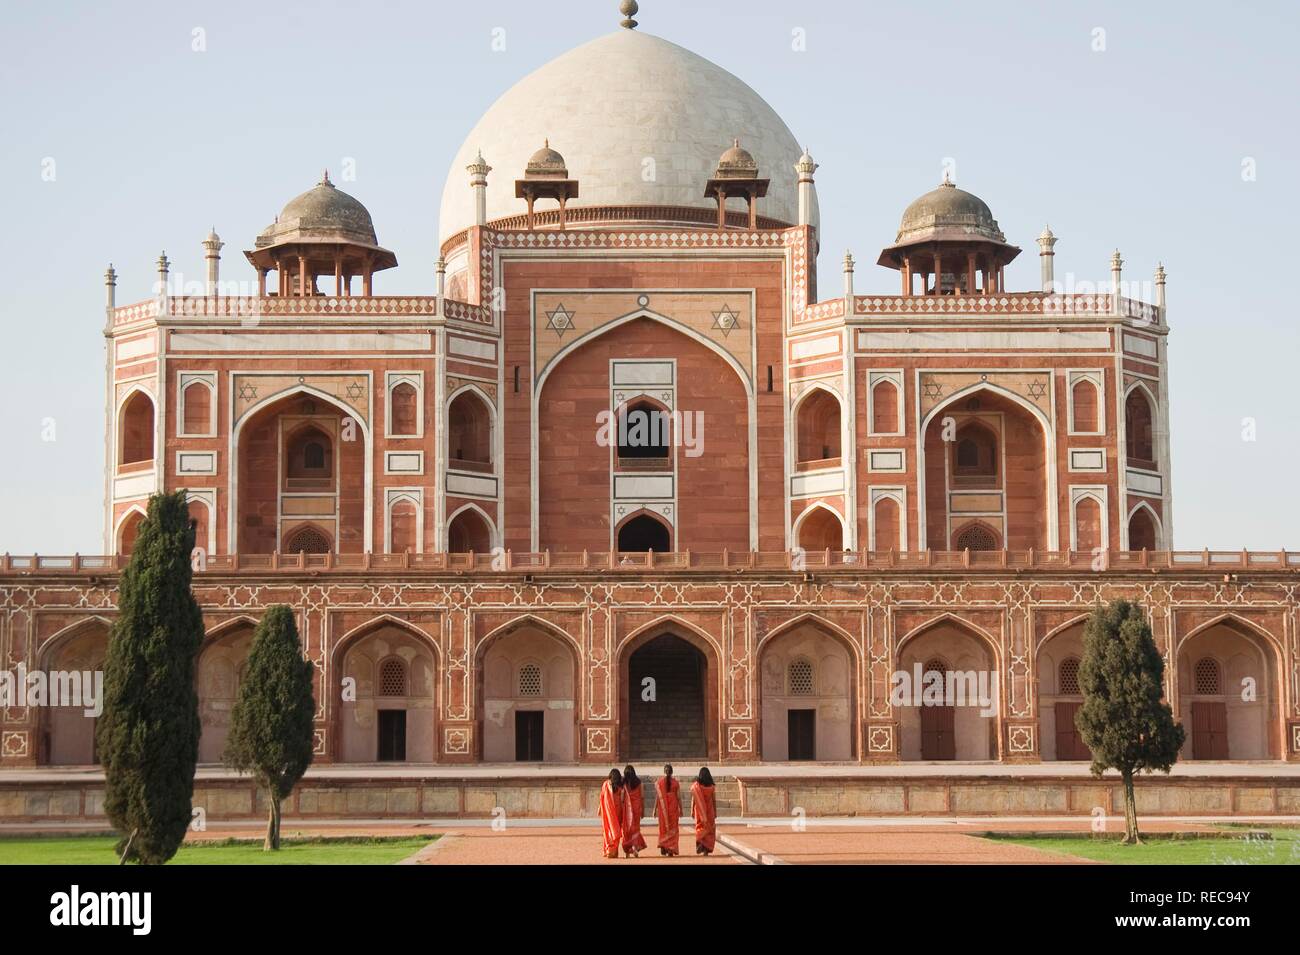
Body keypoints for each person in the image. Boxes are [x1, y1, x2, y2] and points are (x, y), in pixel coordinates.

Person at [621, 765, 648, 858]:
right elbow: (642, 798)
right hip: (636, 809)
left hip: (627, 810)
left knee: (627, 830)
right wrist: (643, 811)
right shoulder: (639, 783)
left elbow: (622, 798)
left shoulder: (624, 784)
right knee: (635, 829)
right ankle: (635, 848)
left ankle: (627, 851)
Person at [654, 763, 681, 856]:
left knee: (663, 828)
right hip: (673, 808)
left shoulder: (659, 783)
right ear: (672, 772)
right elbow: (679, 797)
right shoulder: (676, 783)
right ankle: (671, 849)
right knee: (673, 828)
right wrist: (681, 809)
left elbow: (658, 797)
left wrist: (654, 809)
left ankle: (664, 846)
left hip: (663, 809)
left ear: (664, 772)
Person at [598, 768, 624, 859]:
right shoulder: (620, 786)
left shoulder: (605, 784)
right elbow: (622, 800)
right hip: (618, 811)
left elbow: (602, 797)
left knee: (608, 829)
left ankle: (609, 850)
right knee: (616, 829)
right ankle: (615, 851)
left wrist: (600, 809)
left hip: (608, 811)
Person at [691, 767, 717, 856]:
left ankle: (700, 844)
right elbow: (714, 801)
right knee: (709, 830)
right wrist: (715, 812)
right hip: (710, 812)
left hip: (699, 812)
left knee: (700, 828)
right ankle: (706, 849)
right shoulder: (712, 787)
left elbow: (693, 799)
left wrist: (691, 810)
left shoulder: (697, 787)